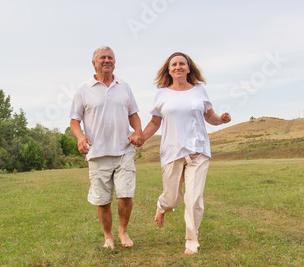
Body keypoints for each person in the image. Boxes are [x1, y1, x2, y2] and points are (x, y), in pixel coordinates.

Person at [139, 52, 231, 255]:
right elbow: (155, 122)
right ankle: (162, 206)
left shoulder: (199, 91)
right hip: (172, 151)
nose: (178, 67)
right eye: (174, 64)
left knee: (194, 197)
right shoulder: (162, 94)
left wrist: (221, 119)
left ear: (189, 68)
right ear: (169, 69)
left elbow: (210, 116)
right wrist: (141, 137)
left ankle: (191, 238)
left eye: (182, 64)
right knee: (173, 198)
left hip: (198, 150)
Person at [70, 46, 144, 249]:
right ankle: (108, 236)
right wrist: (80, 137)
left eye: (110, 57)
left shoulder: (124, 87)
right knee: (103, 200)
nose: (107, 60)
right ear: (94, 63)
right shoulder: (83, 89)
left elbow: (134, 114)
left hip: (124, 150)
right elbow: (74, 121)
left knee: (126, 195)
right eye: (102, 57)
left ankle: (123, 231)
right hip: (98, 152)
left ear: (115, 62)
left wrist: (137, 132)